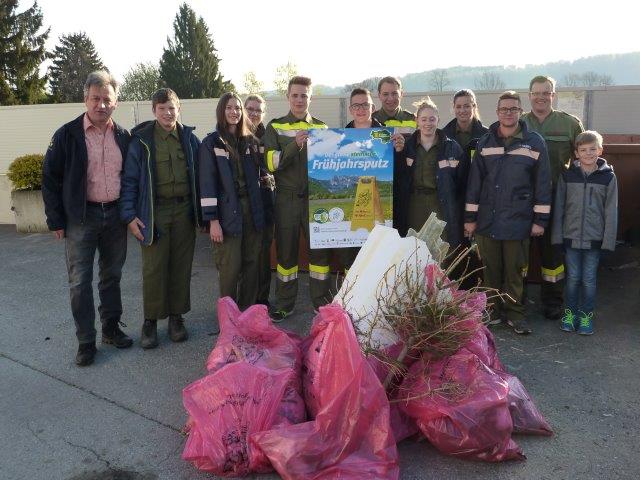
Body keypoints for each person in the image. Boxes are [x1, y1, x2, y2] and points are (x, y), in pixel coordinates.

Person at [42, 70, 132, 366]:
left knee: (112, 276)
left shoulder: (123, 136)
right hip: (81, 217)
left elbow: (132, 178)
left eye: (107, 99)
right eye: (95, 98)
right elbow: (50, 178)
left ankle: (110, 329)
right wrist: (55, 219)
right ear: (85, 99)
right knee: (79, 282)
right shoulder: (67, 134)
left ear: (116, 102)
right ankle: (85, 342)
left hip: (116, 216)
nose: (101, 104)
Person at [464, 91, 551, 335]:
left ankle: (515, 314)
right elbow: (474, 183)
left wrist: (540, 220)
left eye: (513, 109)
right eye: (504, 109)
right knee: (490, 271)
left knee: (514, 272)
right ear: (497, 112)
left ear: (520, 111)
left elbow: (542, 184)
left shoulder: (534, 142)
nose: (508, 113)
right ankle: (491, 312)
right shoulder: (486, 141)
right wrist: (470, 219)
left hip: (518, 221)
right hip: (487, 222)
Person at [119, 88, 200, 349]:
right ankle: (150, 321)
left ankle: (176, 318)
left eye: (172, 108)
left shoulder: (189, 138)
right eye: (162, 108)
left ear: (179, 109)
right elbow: (129, 180)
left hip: (184, 211)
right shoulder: (141, 140)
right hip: (154, 212)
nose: (168, 113)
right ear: (154, 111)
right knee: (154, 268)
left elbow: (202, 173)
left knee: (181, 266)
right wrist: (129, 216)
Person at [263, 76, 328, 321]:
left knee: (319, 255)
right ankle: (284, 304)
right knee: (286, 255)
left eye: (304, 95)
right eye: (295, 95)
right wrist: (294, 146)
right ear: (288, 97)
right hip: (287, 199)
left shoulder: (321, 128)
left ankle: (320, 302)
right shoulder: (275, 126)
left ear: (310, 97)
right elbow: (270, 163)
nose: (299, 100)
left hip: (315, 198)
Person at [522, 75, 584, 320]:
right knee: (521, 252)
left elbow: (582, 161)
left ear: (553, 95)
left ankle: (553, 301)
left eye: (546, 92)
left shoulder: (570, 124)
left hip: (557, 198)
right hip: (523, 199)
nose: (541, 97)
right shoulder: (519, 123)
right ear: (529, 96)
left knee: (553, 254)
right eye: (536, 92)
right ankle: (519, 299)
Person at [199, 92, 265, 310]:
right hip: (227, 213)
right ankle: (228, 318)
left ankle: (247, 314)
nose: (234, 112)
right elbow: (207, 185)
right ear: (221, 111)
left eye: (237, 108)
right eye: (229, 107)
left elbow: (262, 176)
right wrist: (213, 220)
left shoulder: (251, 142)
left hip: (251, 211)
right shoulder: (211, 143)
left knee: (251, 264)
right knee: (230, 267)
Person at [552, 131, 618, 335]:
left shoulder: (608, 177)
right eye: (583, 150)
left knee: (588, 280)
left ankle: (586, 317)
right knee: (572, 279)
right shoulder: (567, 175)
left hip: (594, 239)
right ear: (576, 153)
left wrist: (607, 241)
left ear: (600, 150)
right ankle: (570, 315)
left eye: (593, 149)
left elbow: (611, 210)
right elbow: (560, 207)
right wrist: (557, 236)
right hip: (570, 238)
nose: (588, 153)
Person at [396, 97, 466, 247]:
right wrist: (399, 153)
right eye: (424, 119)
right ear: (417, 120)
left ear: (438, 120)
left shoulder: (452, 148)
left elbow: (461, 183)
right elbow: (399, 176)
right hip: (414, 204)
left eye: (432, 119)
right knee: (413, 245)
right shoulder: (408, 146)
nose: (428, 123)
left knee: (440, 246)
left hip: (440, 203)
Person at [245, 94, 274, 307]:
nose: (254, 113)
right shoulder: (235, 134)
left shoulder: (270, 135)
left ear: (264, 113)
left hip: (266, 204)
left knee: (264, 254)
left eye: (258, 110)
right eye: (250, 109)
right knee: (245, 254)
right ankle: (245, 300)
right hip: (244, 205)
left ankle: (262, 300)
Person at [441, 89, 488, 164]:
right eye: (458, 107)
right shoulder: (443, 136)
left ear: (474, 106)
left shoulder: (486, 135)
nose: (462, 111)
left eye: (466, 106)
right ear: (454, 108)